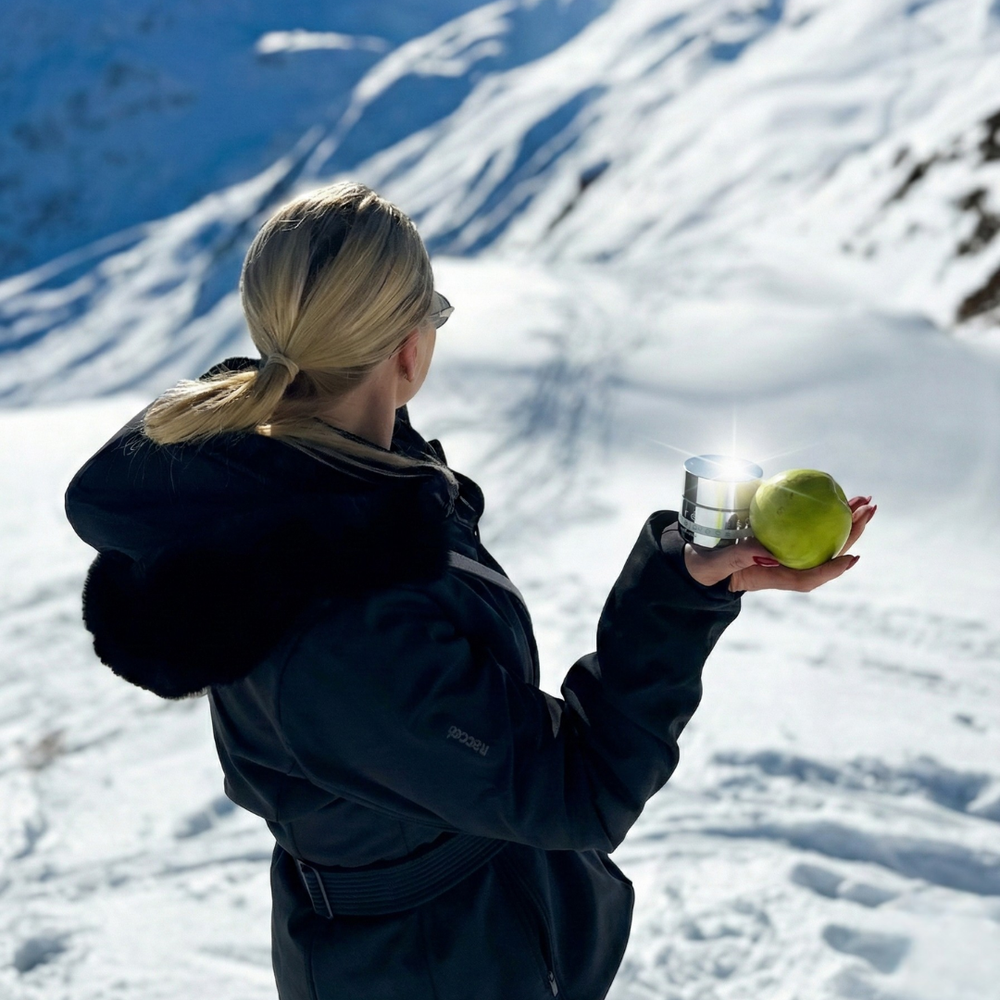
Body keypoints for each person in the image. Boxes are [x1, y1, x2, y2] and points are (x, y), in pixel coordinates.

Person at [64, 182, 874, 1000]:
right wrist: (673, 596)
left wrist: (695, 573)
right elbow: (571, 789)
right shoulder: (341, 621)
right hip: (428, 968)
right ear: (410, 351)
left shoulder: (321, 488)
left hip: (448, 943)